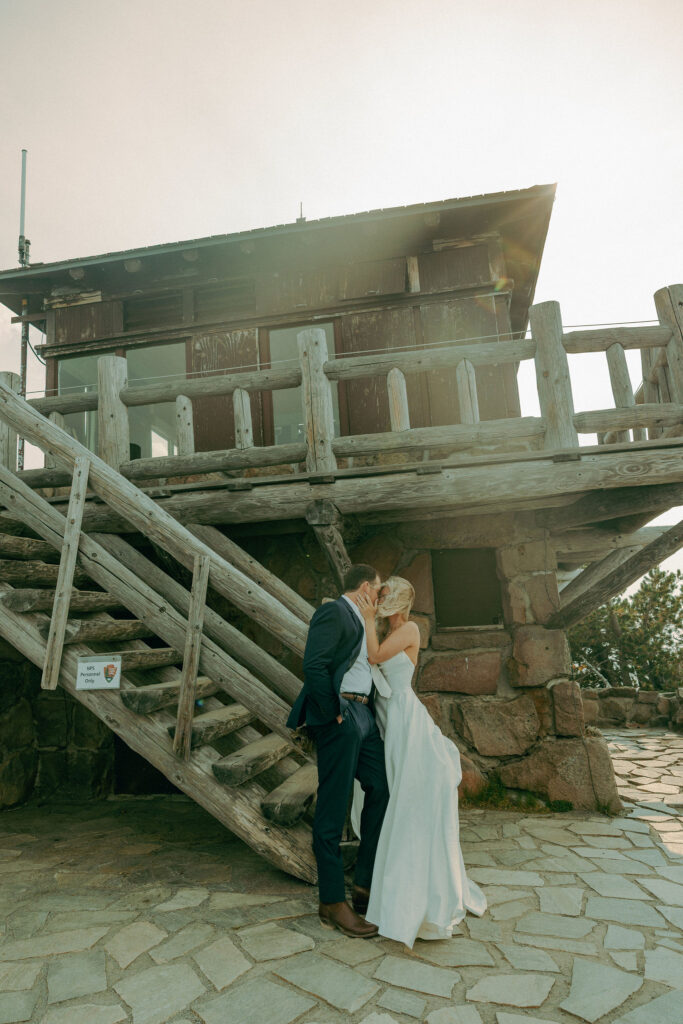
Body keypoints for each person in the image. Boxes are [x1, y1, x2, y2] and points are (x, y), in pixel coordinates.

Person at [355, 575, 487, 948]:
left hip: (404, 719)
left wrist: (367, 620)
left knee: (406, 800)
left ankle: (409, 893)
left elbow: (376, 656)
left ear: (398, 600)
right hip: (386, 718)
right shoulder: (385, 628)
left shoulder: (410, 628)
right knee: (391, 795)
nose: (379, 602)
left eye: (383, 597)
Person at [287, 564, 390, 938]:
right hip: (341, 714)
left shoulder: (364, 620)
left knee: (380, 787)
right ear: (366, 587)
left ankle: (363, 884)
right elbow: (313, 665)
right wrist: (333, 713)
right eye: (379, 591)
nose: (380, 599)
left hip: (364, 714)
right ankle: (331, 901)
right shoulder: (333, 611)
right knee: (333, 806)